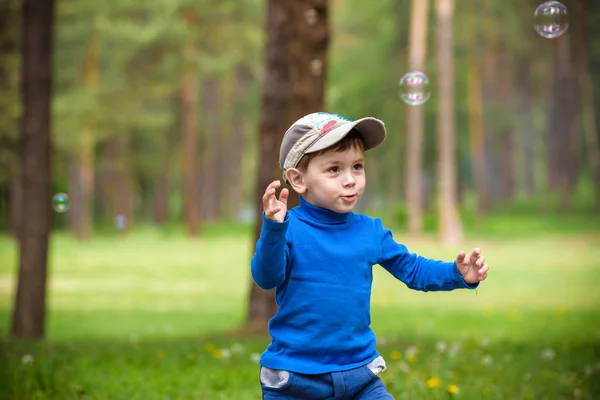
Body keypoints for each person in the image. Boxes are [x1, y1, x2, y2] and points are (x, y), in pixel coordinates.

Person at [251, 112, 490, 399]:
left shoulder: (370, 231)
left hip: (359, 377)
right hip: (297, 380)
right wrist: (274, 229)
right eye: (334, 170)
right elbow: (266, 277)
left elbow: (412, 270)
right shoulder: (289, 230)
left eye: (357, 167)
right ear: (298, 180)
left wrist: (456, 274)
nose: (350, 180)